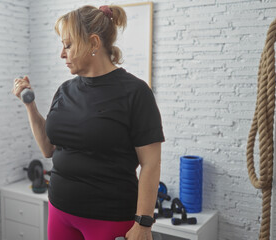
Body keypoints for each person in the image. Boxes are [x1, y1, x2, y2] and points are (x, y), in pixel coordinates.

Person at [12, 5, 164, 240]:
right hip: (60, 210)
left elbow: (151, 164)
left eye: (68, 45)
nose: (62, 54)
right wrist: (30, 106)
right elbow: (47, 148)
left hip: (108, 217)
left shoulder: (135, 93)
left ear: (94, 44)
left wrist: (143, 223)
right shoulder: (65, 90)